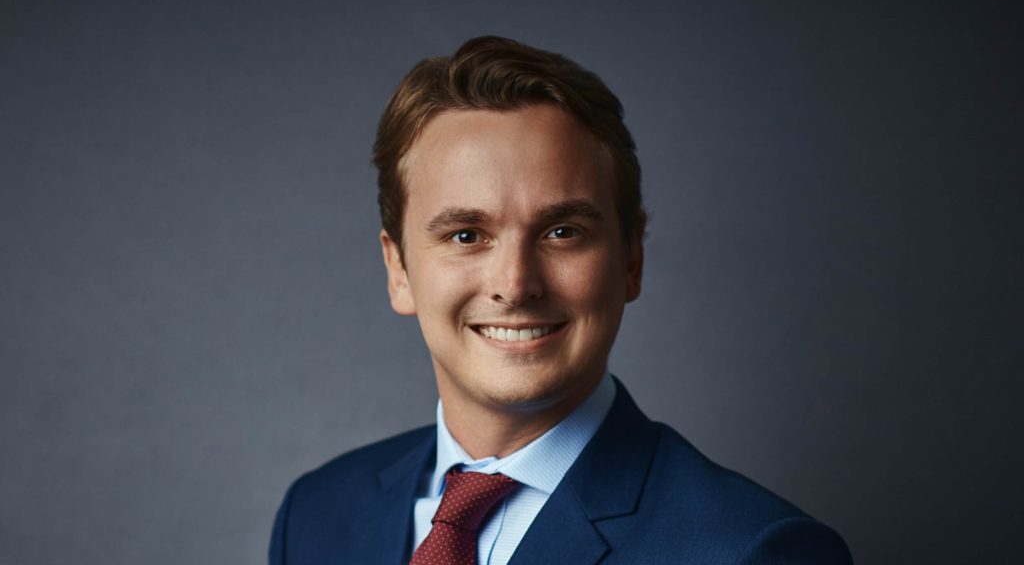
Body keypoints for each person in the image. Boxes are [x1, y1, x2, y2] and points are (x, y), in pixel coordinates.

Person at [269, 35, 852, 564]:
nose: (516, 284)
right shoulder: (318, 515)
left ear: (631, 261)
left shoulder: (753, 551)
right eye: (466, 235)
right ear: (398, 268)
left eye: (561, 232)